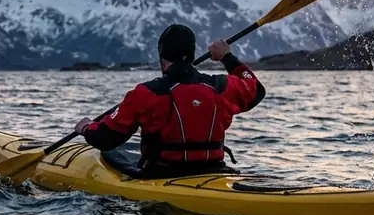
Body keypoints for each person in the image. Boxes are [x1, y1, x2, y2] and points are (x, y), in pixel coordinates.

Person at [75, 24, 265, 178]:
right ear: (191, 54)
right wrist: (227, 58)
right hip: (214, 171)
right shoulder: (221, 86)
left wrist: (86, 128)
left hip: (161, 175)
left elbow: (106, 138)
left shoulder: (146, 93)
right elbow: (256, 89)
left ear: (162, 55)